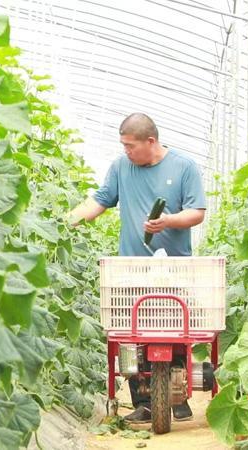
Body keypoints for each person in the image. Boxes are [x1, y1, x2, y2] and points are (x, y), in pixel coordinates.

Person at [68, 112, 206, 423]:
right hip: (132, 266)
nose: (126, 151)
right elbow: (101, 200)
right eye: (123, 146)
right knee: (134, 335)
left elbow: (196, 212)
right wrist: (68, 221)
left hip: (175, 267)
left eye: (130, 145)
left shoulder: (183, 167)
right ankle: (143, 401)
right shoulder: (121, 167)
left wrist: (168, 220)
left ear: (150, 141)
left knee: (176, 331)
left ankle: (178, 394)